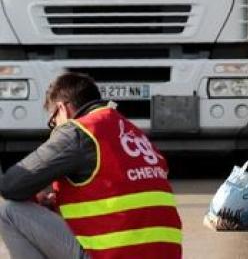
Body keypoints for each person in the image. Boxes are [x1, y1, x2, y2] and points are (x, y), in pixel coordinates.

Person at [0, 72, 182, 258]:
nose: (54, 129)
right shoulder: (133, 133)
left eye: (53, 122)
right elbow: (116, 191)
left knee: (9, 212)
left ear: (62, 108)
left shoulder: (79, 132)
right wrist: (58, 201)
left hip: (114, 254)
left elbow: (11, 185)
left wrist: (35, 197)